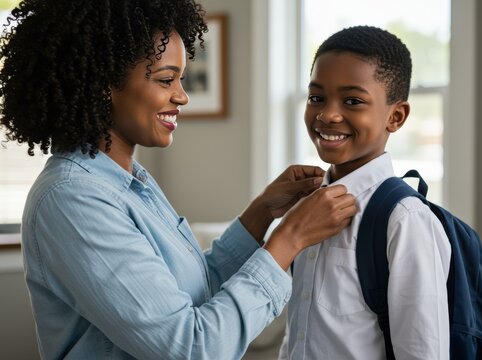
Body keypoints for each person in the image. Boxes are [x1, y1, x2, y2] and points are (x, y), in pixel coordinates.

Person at [0, 1, 358, 359]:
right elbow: (191, 347)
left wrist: (263, 211)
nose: (182, 96)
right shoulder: (72, 199)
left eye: (181, 80)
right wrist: (289, 238)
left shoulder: (131, 182)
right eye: (166, 79)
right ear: (103, 83)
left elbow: (194, 295)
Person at [278, 26, 452, 359]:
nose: (327, 114)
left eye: (353, 101)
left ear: (396, 116)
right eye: (317, 97)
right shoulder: (303, 206)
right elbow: (299, 331)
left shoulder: (404, 220)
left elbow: (422, 351)